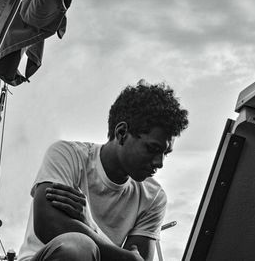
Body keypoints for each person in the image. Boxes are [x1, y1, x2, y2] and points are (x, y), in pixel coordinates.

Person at [17, 80, 189, 261]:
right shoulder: (68, 156)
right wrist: (124, 257)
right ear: (122, 132)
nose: (160, 162)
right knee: (79, 247)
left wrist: (90, 225)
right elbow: (47, 224)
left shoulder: (153, 197)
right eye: (152, 149)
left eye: (165, 153)